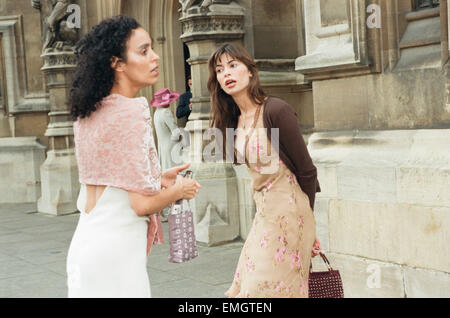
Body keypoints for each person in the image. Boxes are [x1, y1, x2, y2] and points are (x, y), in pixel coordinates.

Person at [66, 15, 201, 298]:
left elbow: (108, 180)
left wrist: (159, 178)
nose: (155, 57)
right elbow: (140, 205)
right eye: (143, 51)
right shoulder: (132, 111)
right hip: (116, 255)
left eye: (152, 48)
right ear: (117, 63)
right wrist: (180, 190)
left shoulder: (88, 111)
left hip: (84, 248)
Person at [207, 43, 322, 298]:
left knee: (264, 289)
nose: (226, 73)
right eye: (219, 69)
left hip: (291, 214)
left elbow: (307, 170)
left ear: (250, 71)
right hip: (264, 218)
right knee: (248, 287)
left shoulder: (275, 110)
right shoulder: (232, 120)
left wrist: (308, 224)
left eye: (233, 65)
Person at [152, 88, 184, 220]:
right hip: (171, 148)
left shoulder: (157, 113)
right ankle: (174, 209)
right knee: (174, 178)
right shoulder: (166, 112)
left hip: (162, 147)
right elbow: (175, 132)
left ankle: (165, 210)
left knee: (166, 178)